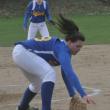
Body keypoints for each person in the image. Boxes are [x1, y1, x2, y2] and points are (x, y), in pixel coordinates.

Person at [13, 14, 95, 110]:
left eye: (81, 47)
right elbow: (70, 74)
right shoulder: (63, 50)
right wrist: (83, 94)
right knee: (49, 73)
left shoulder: (65, 50)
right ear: (69, 42)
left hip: (21, 53)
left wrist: (72, 94)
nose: (79, 49)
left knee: (37, 83)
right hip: (23, 52)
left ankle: (23, 107)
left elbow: (65, 73)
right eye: (77, 46)